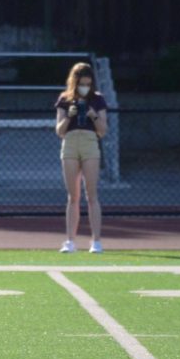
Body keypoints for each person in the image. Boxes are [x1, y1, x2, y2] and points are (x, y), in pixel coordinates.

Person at [54, 62, 108, 253]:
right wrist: (69, 116)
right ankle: (69, 241)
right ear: (74, 82)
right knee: (73, 196)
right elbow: (59, 131)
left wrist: (93, 115)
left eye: (87, 83)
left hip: (89, 143)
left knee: (91, 195)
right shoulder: (64, 99)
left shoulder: (98, 99)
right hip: (70, 142)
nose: (84, 87)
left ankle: (96, 241)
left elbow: (103, 130)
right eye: (81, 83)